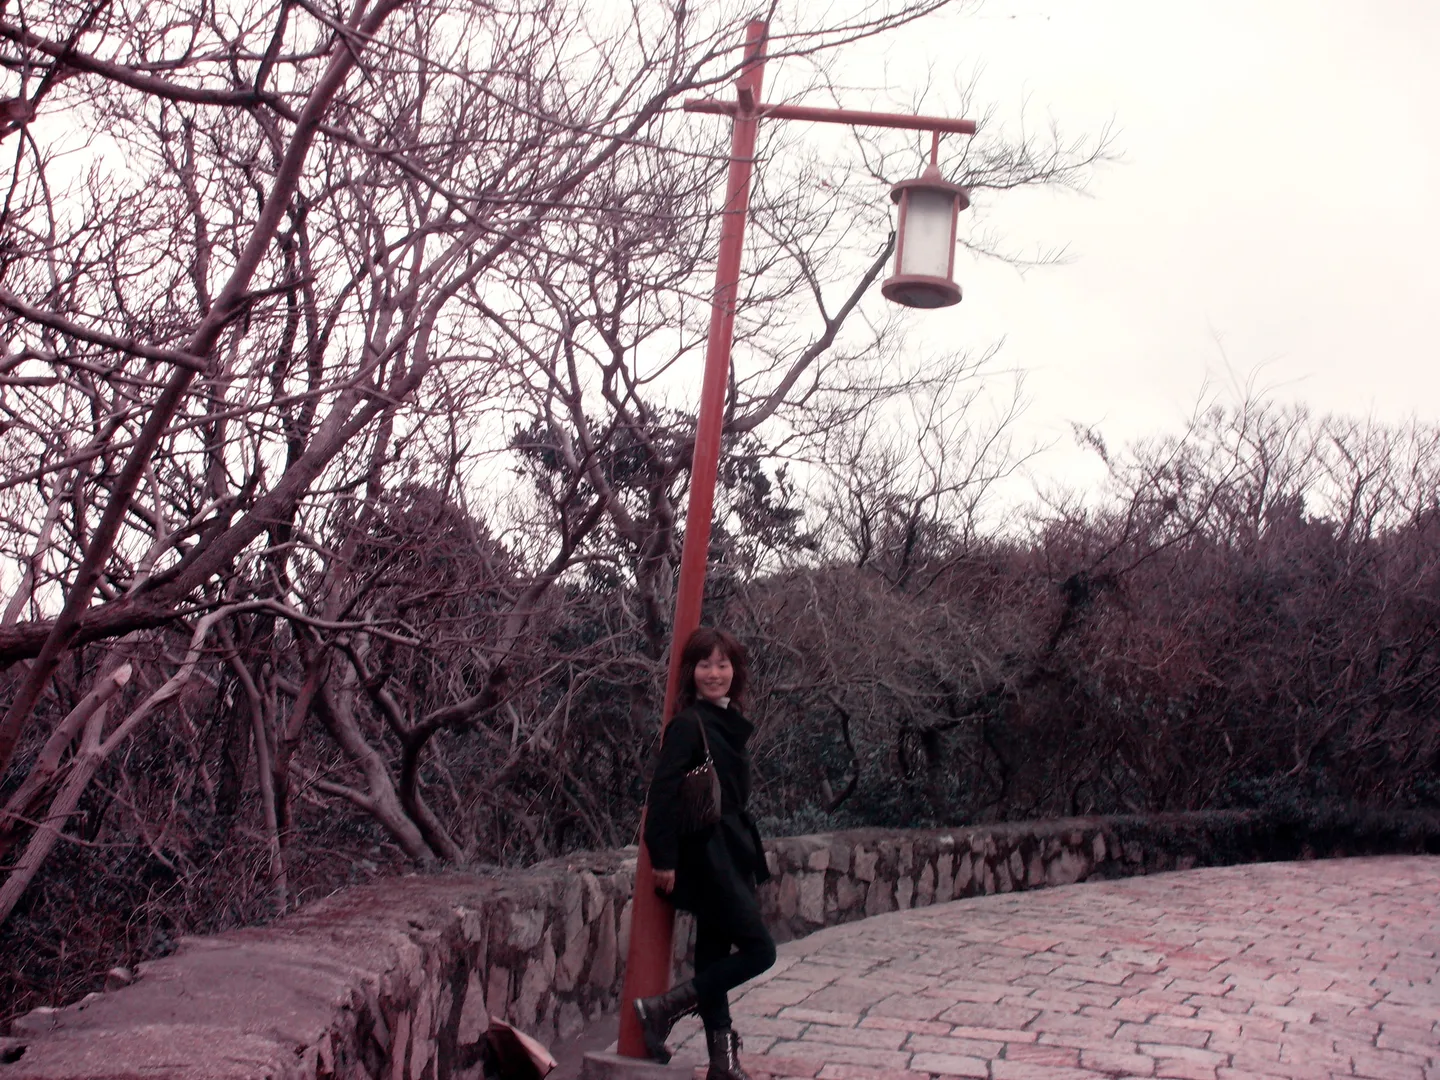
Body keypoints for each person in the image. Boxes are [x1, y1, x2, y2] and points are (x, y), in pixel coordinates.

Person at [633, 626, 776, 1080]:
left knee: (713, 954)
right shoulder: (688, 725)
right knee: (760, 950)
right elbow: (661, 796)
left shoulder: (728, 719)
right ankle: (663, 1009)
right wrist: (664, 859)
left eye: (723, 664)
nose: (714, 673)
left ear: (736, 671)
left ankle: (722, 1062)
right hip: (707, 855)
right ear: (690, 672)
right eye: (704, 664)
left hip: (732, 849)